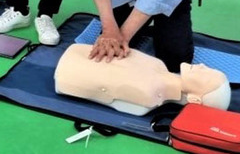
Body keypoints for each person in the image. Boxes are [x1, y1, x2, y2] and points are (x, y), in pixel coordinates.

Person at [55, 44, 230, 116]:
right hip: (78, 57)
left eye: (206, 75)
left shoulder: (147, 95)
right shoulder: (158, 65)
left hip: (67, 73)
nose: (202, 66)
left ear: (194, 100)